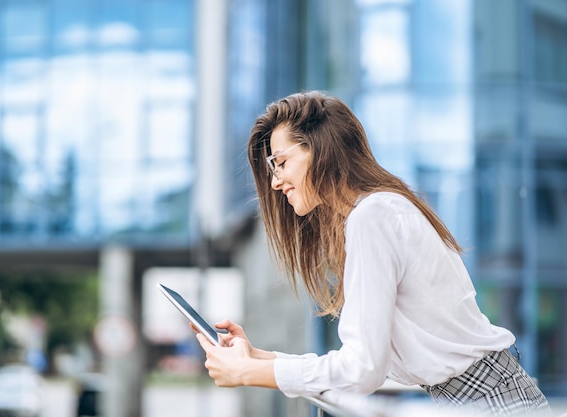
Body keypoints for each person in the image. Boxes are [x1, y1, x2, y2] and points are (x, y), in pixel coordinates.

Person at [193, 91, 553, 416]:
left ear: (319, 149)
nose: (274, 182)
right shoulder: (377, 211)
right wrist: (261, 358)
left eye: (281, 162)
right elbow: (368, 364)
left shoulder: (373, 216)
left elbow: (362, 370)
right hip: (487, 397)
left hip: (490, 404)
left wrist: (251, 372)